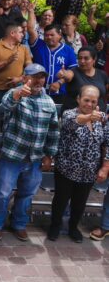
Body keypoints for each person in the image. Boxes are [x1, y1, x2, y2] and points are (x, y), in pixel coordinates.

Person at [0, 64, 59, 242]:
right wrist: (17, 94)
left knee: (27, 193)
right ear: (25, 77)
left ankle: (19, 224)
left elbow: (53, 131)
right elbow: (4, 107)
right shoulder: (15, 95)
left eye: (42, 77)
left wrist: (49, 155)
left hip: (34, 157)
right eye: (34, 76)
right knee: (3, 192)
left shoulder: (48, 102)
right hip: (12, 155)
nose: (38, 80)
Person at [47, 86, 107, 242]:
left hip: (89, 171)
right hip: (66, 168)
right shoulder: (69, 114)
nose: (89, 104)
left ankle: (73, 227)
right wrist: (89, 117)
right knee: (60, 200)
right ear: (78, 99)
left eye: (93, 101)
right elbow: (73, 123)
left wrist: (105, 166)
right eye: (86, 100)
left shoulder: (102, 119)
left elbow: (107, 142)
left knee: (80, 203)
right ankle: (55, 226)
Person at [0, 24, 32, 131]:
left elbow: (30, 69)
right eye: (20, 32)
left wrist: (19, 79)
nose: (23, 35)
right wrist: (6, 62)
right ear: (12, 33)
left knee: (15, 119)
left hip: (17, 90)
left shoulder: (24, 49)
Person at [28, 23, 78, 104]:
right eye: (46, 35)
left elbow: (73, 70)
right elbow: (30, 29)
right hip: (37, 90)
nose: (49, 37)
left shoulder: (68, 50)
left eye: (52, 35)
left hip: (60, 92)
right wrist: (30, 11)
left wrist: (60, 82)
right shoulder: (38, 45)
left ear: (59, 35)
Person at [57, 47, 109, 113]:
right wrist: (64, 74)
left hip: (97, 118)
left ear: (94, 60)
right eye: (80, 58)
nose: (82, 61)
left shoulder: (102, 74)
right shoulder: (73, 71)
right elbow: (68, 75)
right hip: (74, 118)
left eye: (86, 58)